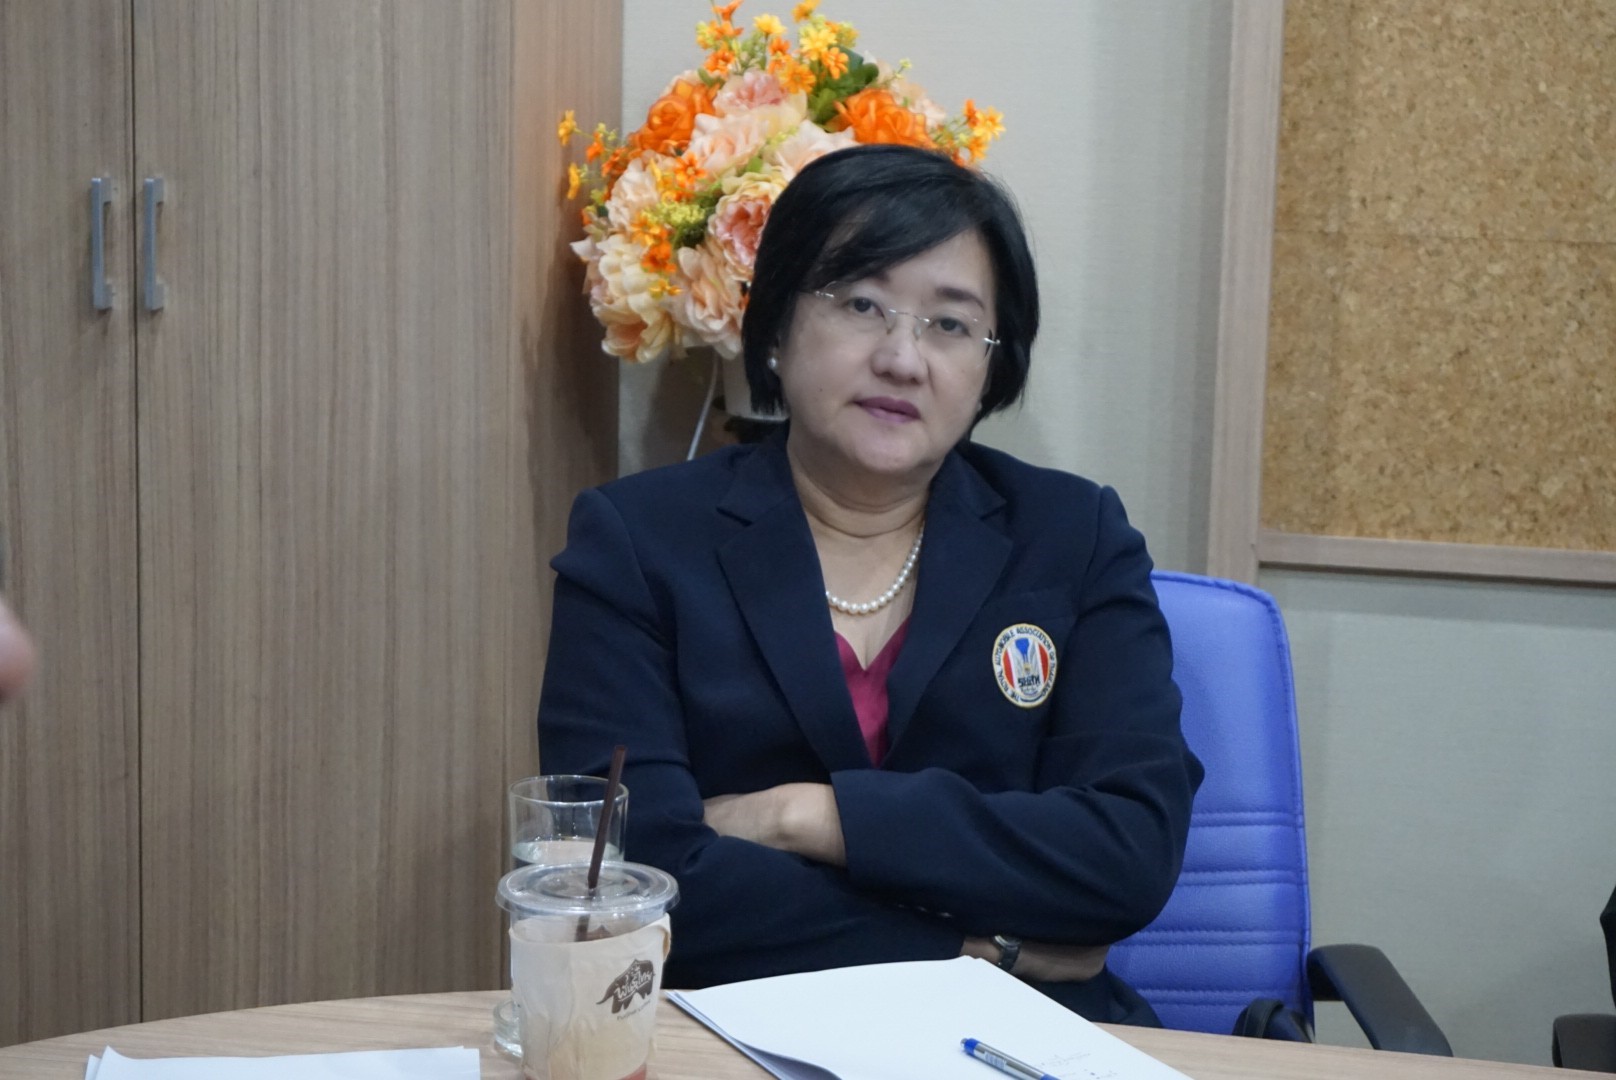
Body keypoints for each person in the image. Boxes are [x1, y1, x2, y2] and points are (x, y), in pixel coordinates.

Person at [537, 144, 1203, 1025]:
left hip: (1026, 1038)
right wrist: (972, 949)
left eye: (951, 324)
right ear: (776, 325)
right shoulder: (638, 541)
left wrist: (806, 818)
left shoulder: (1073, 537)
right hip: (737, 1032)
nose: (902, 357)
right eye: (861, 304)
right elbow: (631, 879)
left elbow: (1127, 855)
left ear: (991, 366)